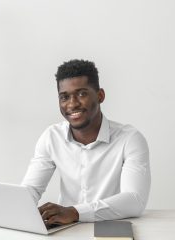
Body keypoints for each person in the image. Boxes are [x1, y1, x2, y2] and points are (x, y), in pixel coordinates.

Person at [21, 59, 151, 226]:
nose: (72, 104)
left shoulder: (130, 139)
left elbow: (135, 201)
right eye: (64, 97)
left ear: (100, 95)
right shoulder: (51, 137)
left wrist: (75, 212)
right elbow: (30, 190)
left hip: (112, 227)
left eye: (81, 93)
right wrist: (18, 213)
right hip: (66, 229)